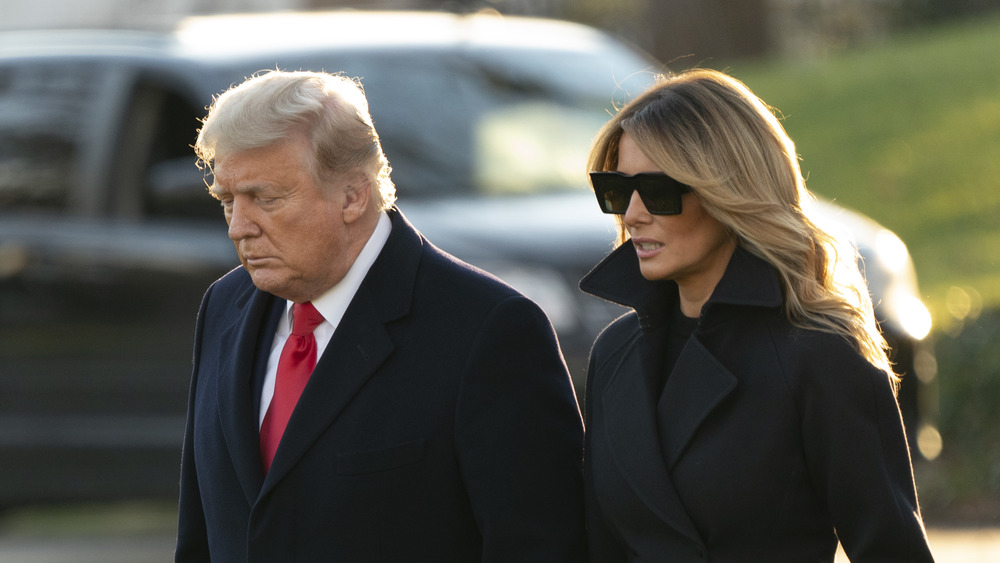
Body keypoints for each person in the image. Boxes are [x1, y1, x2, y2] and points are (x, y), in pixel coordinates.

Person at [174, 70, 586, 562]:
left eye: (265, 199)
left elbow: (540, 546)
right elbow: (202, 537)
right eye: (227, 201)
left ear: (353, 195)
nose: (239, 228)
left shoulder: (489, 330)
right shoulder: (224, 308)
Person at [579, 68, 935, 562]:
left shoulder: (818, 354)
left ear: (728, 192)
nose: (633, 214)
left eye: (657, 191)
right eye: (617, 190)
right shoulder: (615, 355)